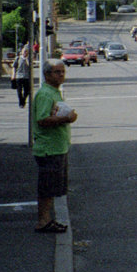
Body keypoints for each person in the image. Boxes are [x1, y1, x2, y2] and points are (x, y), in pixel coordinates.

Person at [32, 59, 78, 234]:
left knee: (52, 187)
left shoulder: (54, 92)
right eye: (57, 72)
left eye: (63, 72)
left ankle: (48, 220)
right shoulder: (45, 94)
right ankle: (43, 221)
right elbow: (42, 119)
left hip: (57, 147)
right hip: (48, 149)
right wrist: (66, 118)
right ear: (47, 74)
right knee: (47, 187)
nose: (61, 75)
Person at [11, 44, 31, 108]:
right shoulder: (18, 58)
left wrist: (26, 59)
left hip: (26, 77)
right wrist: (13, 75)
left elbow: (30, 66)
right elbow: (14, 67)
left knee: (27, 91)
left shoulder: (28, 59)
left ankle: (24, 100)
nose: (25, 52)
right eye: (24, 51)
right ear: (22, 52)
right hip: (19, 76)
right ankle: (21, 103)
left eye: (26, 51)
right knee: (19, 91)